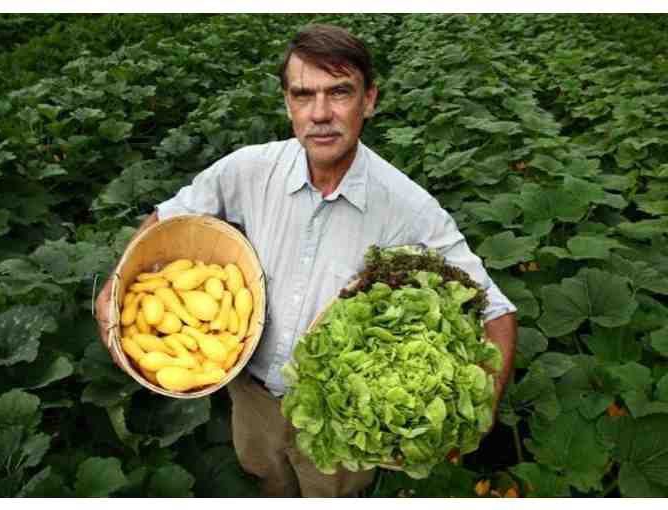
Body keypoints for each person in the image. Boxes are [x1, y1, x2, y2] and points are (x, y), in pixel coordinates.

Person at [95, 23, 518, 498]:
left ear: (369, 100)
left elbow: (497, 312)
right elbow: (170, 216)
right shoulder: (248, 170)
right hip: (252, 394)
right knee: (265, 476)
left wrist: (476, 413)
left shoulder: (409, 208)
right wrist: (115, 286)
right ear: (288, 103)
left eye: (339, 92)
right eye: (303, 95)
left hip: (342, 417)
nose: (320, 114)